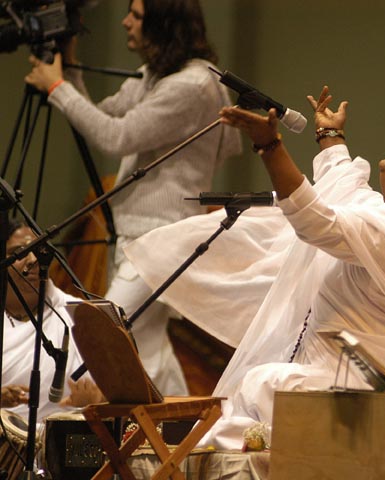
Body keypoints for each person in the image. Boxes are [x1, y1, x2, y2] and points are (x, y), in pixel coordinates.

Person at [123, 85, 385, 451]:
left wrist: (270, 147)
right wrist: (331, 135)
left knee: (262, 386)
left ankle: (189, 449)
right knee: (258, 392)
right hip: (368, 398)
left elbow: (318, 221)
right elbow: (343, 185)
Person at [24, 0, 242, 395]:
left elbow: (114, 137)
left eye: (137, 15)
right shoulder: (157, 74)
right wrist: (69, 70)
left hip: (161, 236)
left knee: (103, 330)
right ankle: (182, 441)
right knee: (151, 350)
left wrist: (56, 86)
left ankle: (68, 417)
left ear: (163, 24)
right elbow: (102, 115)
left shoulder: (192, 84)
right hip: (137, 234)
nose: (126, 21)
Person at [2, 220, 104, 426]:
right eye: (19, 252)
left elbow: (121, 394)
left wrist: (95, 402)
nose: (32, 259)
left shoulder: (79, 313)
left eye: (39, 251)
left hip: (63, 444)